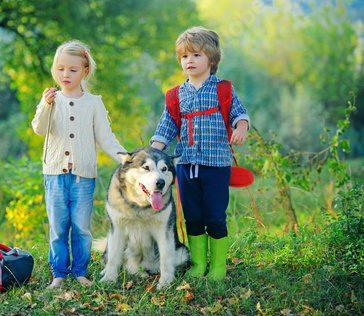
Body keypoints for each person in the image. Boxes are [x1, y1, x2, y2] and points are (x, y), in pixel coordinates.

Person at [150, 26, 250, 280]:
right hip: (185, 165)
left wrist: (241, 127)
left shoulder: (222, 90)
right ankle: (198, 265)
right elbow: (165, 129)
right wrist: (151, 155)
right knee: (192, 216)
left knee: (215, 216)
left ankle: (217, 267)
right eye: (185, 56)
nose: (189, 61)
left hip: (216, 165)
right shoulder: (176, 95)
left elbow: (240, 114)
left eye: (196, 55)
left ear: (212, 59)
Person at [32, 40, 126, 289]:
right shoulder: (51, 100)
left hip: (83, 176)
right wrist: (45, 105)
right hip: (54, 175)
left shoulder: (93, 103)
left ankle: (80, 271)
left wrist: (127, 159)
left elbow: (106, 137)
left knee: (81, 227)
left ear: (85, 71)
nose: (66, 74)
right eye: (61, 68)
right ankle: (59, 273)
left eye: (73, 70)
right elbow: (39, 129)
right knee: (58, 227)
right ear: (55, 69)